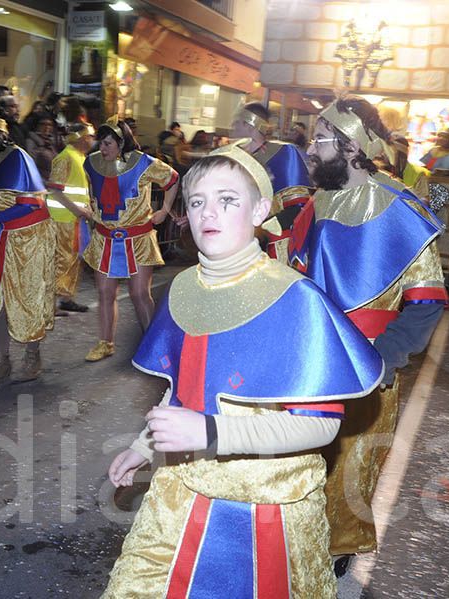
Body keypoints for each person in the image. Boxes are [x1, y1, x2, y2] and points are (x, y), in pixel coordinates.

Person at [102, 143, 385, 598]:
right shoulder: (182, 289)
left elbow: (320, 426)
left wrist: (211, 433)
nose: (207, 212)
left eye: (227, 199)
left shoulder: (296, 300)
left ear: (259, 209)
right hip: (178, 491)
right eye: (196, 202)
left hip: (262, 513)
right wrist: (144, 445)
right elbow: (182, 392)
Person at [294, 95, 448, 574]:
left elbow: (427, 304)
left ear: (351, 147)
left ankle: (337, 544)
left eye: (319, 140)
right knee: (301, 454)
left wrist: (385, 357)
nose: (309, 150)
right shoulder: (319, 197)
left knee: (352, 466)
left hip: (368, 363)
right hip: (310, 355)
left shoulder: (400, 209)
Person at [0, 105, 56, 385]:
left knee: (29, 299)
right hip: (4, 237)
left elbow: (33, 204)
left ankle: (32, 354)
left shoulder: (16, 156)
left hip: (31, 238)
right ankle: (2, 359)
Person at [82, 117, 178, 361]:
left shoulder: (143, 162)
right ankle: (105, 342)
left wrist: (164, 211)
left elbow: (173, 179)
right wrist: (92, 205)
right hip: (105, 237)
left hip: (137, 237)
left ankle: (153, 345)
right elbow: (94, 191)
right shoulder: (91, 163)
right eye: (100, 143)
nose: (101, 148)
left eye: (107, 143)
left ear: (121, 142)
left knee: (139, 294)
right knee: (105, 292)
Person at [231, 102, 313, 264]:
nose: (232, 128)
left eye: (236, 123)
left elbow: (298, 207)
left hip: (272, 249)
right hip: (237, 245)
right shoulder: (234, 156)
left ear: (249, 125)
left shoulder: (284, 154)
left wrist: (260, 229)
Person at [46, 122, 95, 314]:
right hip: (62, 219)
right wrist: (79, 210)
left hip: (74, 219)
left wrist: (87, 206)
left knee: (73, 259)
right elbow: (55, 190)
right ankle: (50, 304)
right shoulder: (65, 158)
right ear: (84, 138)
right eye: (91, 136)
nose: (93, 140)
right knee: (60, 260)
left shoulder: (79, 158)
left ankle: (67, 298)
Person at [25, 111, 57, 182]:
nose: (47, 127)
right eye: (43, 124)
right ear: (36, 125)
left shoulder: (50, 142)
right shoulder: (31, 142)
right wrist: (44, 183)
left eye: (50, 124)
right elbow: (30, 167)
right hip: (41, 186)